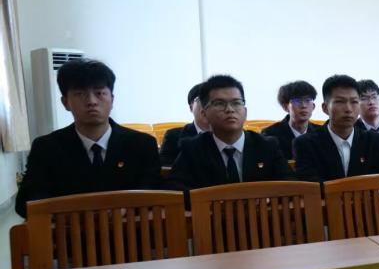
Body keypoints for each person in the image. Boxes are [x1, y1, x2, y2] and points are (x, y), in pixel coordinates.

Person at [15, 59, 161, 218]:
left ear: (112, 99)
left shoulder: (142, 144)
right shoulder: (46, 148)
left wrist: (128, 207)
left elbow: (154, 191)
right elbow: (26, 203)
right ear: (65, 102)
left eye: (99, 93)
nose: (92, 101)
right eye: (80, 94)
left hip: (130, 230)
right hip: (70, 231)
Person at [168, 75, 292, 190]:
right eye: (219, 104)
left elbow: (290, 183)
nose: (230, 109)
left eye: (236, 103)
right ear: (204, 114)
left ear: (245, 112)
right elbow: (175, 189)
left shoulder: (267, 146)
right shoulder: (192, 149)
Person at [293, 75, 379, 182]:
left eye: (354, 102)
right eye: (340, 102)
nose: (348, 109)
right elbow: (309, 184)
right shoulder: (305, 144)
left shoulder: (374, 140)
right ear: (325, 108)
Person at [261, 80, 318, 161]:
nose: (303, 106)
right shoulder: (270, 135)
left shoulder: (321, 133)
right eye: (297, 101)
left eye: (308, 100)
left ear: (313, 106)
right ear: (285, 107)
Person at [159, 82, 209, 166]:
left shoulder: (229, 135)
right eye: (203, 100)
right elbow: (166, 169)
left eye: (216, 102)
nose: (208, 106)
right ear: (191, 107)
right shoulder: (174, 136)